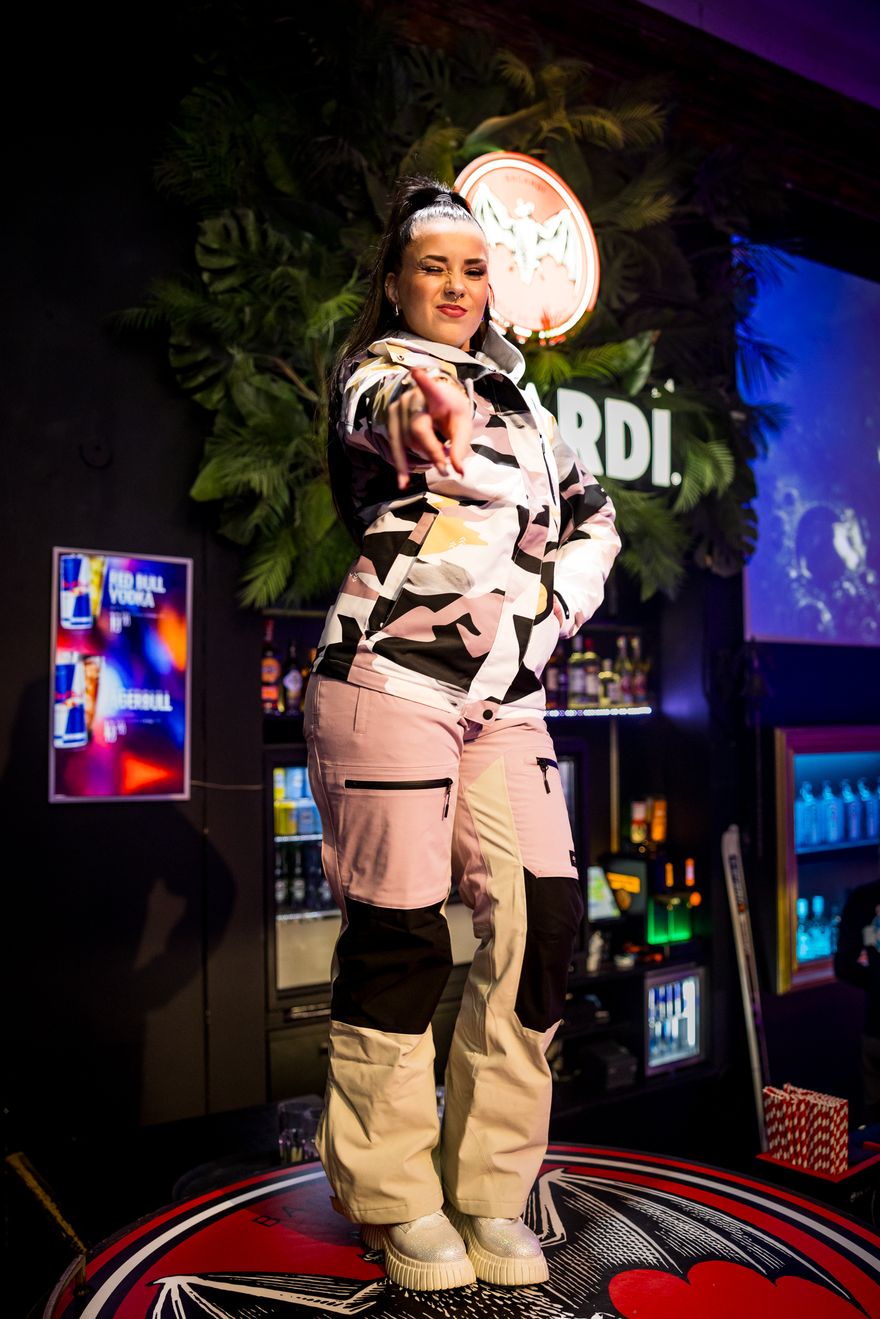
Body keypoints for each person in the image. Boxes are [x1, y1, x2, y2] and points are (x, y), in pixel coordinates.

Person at [304, 176, 620, 1291]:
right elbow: (377, 409)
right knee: (398, 939)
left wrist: (555, 605)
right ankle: (394, 1199)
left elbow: (596, 518)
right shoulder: (383, 372)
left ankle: (488, 1186)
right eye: (432, 267)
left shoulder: (531, 410)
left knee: (546, 924)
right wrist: (414, 416)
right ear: (396, 283)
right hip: (389, 680)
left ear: (492, 286)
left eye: (473, 269)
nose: (454, 285)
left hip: (507, 700)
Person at [834, 875, 880, 1124]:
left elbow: (843, 967)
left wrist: (875, 984)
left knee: (874, 1125)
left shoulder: (863, 897)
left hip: (874, 1031)